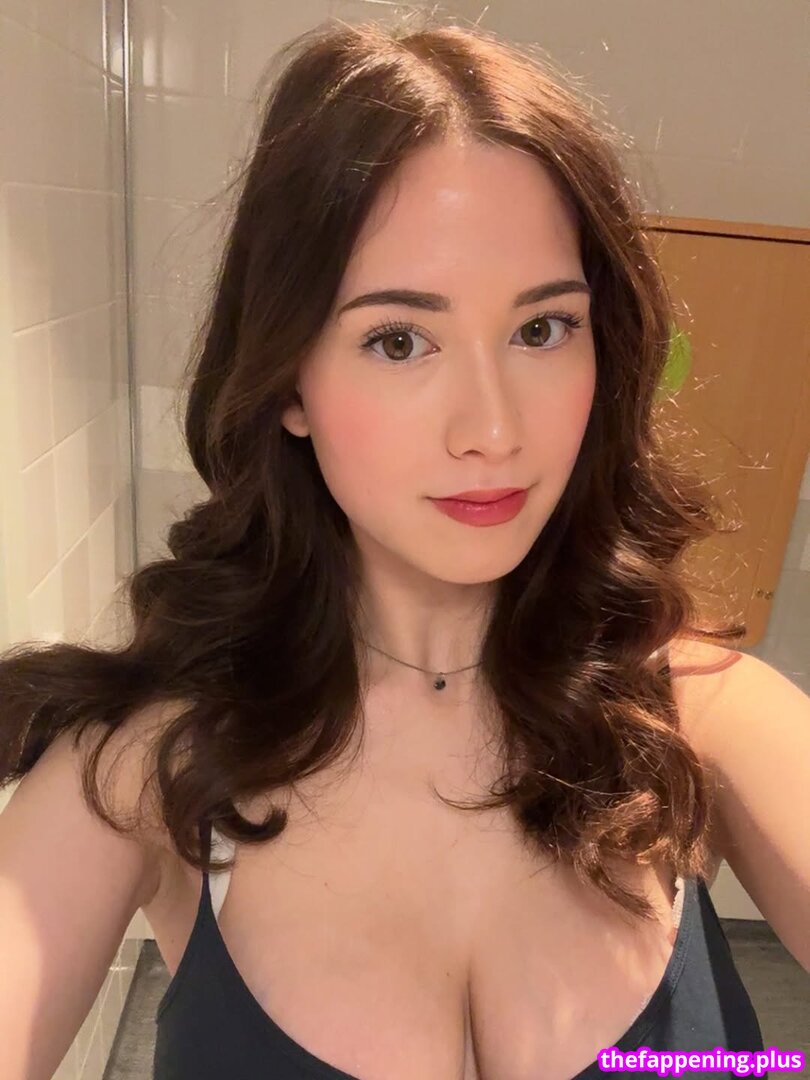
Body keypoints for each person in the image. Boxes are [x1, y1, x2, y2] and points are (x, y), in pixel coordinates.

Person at [1, 15, 808, 1080]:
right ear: (287, 380)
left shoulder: (698, 719)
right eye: (398, 340)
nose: (492, 429)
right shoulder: (143, 769)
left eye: (541, 329)